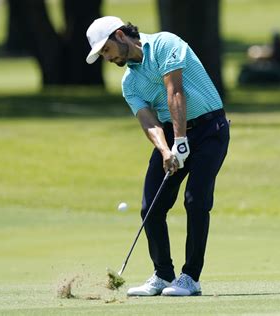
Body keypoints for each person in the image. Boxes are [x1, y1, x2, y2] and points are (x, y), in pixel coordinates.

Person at [85, 16, 230, 296]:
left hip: (210, 129)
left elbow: (174, 91)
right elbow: (148, 121)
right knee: (151, 206)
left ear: (120, 35)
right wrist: (166, 150)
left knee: (196, 201)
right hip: (173, 134)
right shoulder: (130, 83)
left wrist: (181, 141)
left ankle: (190, 278)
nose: (107, 57)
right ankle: (163, 275)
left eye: (106, 50)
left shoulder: (165, 43)